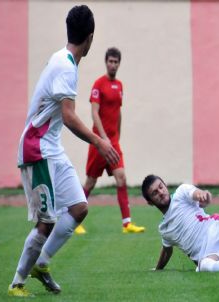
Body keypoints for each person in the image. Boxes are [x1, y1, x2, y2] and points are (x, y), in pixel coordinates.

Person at [9, 5, 120, 297]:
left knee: (79, 207)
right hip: (37, 148)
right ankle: (17, 283)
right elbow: (69, 116)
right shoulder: (66, 66)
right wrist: (100, 142)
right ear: (91, 37)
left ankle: (41, 263)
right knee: (46, 221)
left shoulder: (64, 60)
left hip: (51, 148)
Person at [74, 47, 145, 235]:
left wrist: (117, 136)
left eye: (116, 61)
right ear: (106, 62)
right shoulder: (98, 84)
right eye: (110, 61)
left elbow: (118, 111)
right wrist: (103, 138)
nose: (113, 64)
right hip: (99, 142)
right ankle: (74, 220)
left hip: (113, 142)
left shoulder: (120, 85)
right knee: (90, 182)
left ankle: (127, 224)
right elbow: (94, 113)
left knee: (121, 177)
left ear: (119, 64)